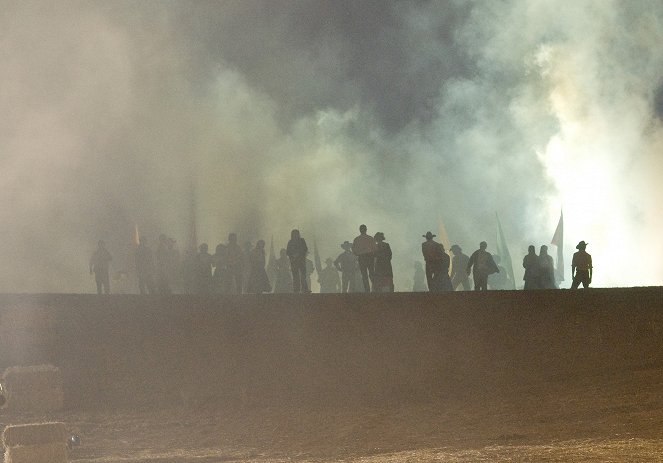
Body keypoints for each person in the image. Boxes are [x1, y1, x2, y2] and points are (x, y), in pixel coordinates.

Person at [352, 224, 377, 292]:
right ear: (366, 230)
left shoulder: (357, 239)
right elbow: (375, 249)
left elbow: (354, 250)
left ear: (360, 230)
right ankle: (375, 289)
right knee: (371, 273)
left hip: (362, 257)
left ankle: (367, 290)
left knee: (364, 275)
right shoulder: (370, 238)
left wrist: (358, 254)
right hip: (369, 256)